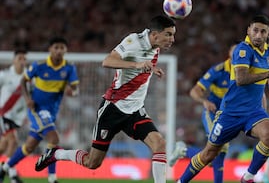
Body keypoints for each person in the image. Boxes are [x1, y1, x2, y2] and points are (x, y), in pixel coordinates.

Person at [34, 15, 176, 183]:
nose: (172, 39)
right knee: (92, 163)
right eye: (168, 34)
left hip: (136, 110)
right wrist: (136, 65)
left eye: (173, 35)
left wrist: (150, 68)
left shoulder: (155, 44)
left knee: (159, 144)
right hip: (113, 109)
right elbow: (107, 61)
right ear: (155, 35)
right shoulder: (133, 41)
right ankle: (57, 154)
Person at [176, 14, 269, 183]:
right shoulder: (242, 50)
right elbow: (242, 79)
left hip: (253, 111)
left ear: (268, 34)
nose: (258, 35)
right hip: (230, 112)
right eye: (255, 30)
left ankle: (248, 177)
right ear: (248, 30)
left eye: (262, 31)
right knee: (209, 154)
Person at [0, 37, 80, 183]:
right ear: (50, 49)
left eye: (62, 48)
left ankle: (5, 168)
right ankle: (52, 178)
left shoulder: (69, 67)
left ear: (66, 50)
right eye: (56, 47)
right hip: (37, 109)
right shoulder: (39, 65)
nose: (59, 51)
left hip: (52, 112)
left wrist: (72, 92)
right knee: (53, 139)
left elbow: (75, 90)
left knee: (30, 146)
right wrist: (27, 100)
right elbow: (24, 80)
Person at [169, 41, 238, 183]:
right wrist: (204, 101)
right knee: (218, 149)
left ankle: (185, 151)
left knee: (216, 156)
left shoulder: (244, 71)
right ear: (229, 54)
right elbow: (194, 91)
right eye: (235, 50)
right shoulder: (218, 71)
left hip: (228, 118)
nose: (238, 54)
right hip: (213, 114)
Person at [0, 49, 28, 183]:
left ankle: (7, 169)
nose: (22, 61)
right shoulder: (4, 75)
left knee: (3, 146)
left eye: (24, 59)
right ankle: (11, 174)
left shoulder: (28, 78)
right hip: (3, 113)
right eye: (19, 58)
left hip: (16, 118)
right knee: (13, 141)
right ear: (14, 60)